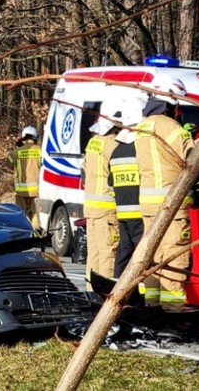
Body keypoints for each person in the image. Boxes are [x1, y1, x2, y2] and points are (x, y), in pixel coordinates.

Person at [135, 76, 195, 311]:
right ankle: (173, 311)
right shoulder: (171, 127)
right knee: (173, 257)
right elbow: (193, 157)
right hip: (171, 205)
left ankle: (151, 306)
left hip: (148, 205)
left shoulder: (142, 126)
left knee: (153, 257)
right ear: (170, 99)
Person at [82, 96, 120, 289]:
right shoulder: (114, 145)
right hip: (108, 209)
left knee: (94, 252)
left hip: (91, 208)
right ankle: (105, 293)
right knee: (108, 253)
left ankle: (91, 290)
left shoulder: (93, 142)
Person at [107, 96, 147, 279]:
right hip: (141, 212)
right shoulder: (141, 149)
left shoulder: (117, 152)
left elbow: (111, 181)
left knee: (124, 252)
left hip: (123, 213)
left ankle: (117, 287)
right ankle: (142, 290)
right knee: (143, 254)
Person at [7, 126, 41, 223]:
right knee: (36, 215)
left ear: (23, 138)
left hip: (21, 192)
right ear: (35, 137)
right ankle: (36, 234)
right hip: (37, 191)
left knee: (22, 216)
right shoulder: (41, 150)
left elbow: (9, 164)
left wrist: (17, 148)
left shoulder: (15, 152)